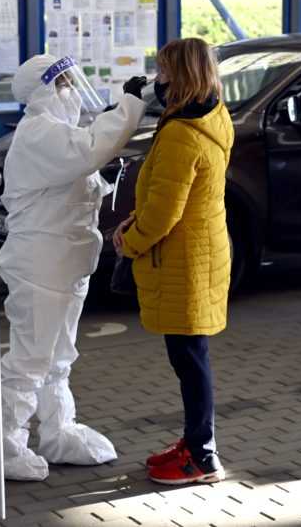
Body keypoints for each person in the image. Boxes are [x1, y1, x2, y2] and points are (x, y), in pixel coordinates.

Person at [0, 53, 147, 480]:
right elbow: (88, 149)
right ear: (42, 90)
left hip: (65, 262)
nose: (70, 90)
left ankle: (57, 431)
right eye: (62, 82)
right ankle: (6, 444)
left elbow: (81, 180)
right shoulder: (39, 133)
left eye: (69, 80)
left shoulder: (58, 133)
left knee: (58, 356)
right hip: (41, 266)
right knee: (31, 357)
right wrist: (129, 106)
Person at [113, 38, 234, 485]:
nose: (157, 81)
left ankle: (202, 457)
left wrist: (131, 240)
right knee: (191, 355)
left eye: (164, 73)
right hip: (202, 249)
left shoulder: (183, 134)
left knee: (190, 359)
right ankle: (195, 441)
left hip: (184, 258)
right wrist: (137, 218)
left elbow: (166, 212)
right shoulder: (212, 114)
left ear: (181, 77)